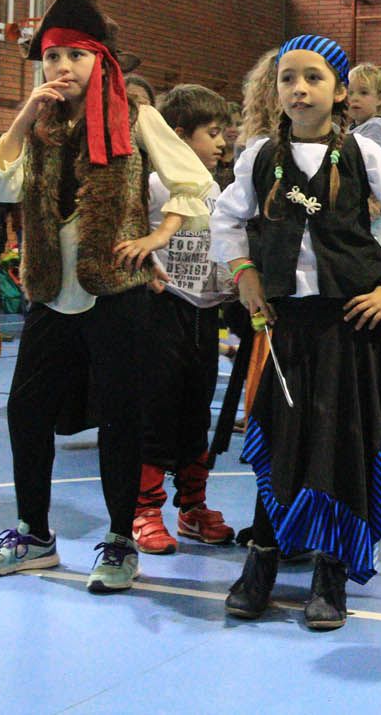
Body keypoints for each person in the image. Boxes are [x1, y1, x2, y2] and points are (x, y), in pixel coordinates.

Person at [0, 0, 214, 593]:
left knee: (121, 419)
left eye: (76, 55)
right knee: (27, 411)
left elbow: (195, 183)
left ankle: (119, 540)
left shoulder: (135, 115)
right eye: (52, 59)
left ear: (100, 59)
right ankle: (33, 535)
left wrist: (157, 235)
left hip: (117, 293)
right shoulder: (41, 126)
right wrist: (24, 116)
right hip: (52, 292)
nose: (62, 69)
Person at [211, 34, 381, 630]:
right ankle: (262, 558)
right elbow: (227, 216)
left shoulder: (365, 156)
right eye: (288, 77)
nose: (299, 88)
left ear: (340, 91)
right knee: (281, 442)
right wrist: (244, 274)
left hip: (349, 329)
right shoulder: (261, 157)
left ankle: (331, 570)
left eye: (313, 77)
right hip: (289, 328)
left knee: (340, 446)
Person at [132, 84, 237, 554]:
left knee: (197, 413)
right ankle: (145, 510)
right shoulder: (154, 183)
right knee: (157, 411)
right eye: (212, 134)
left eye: (224, 135)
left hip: (204, 313)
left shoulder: (213, 188)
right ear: (177, 136)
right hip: (164, 307)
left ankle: (192, 507)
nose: (222, 144)